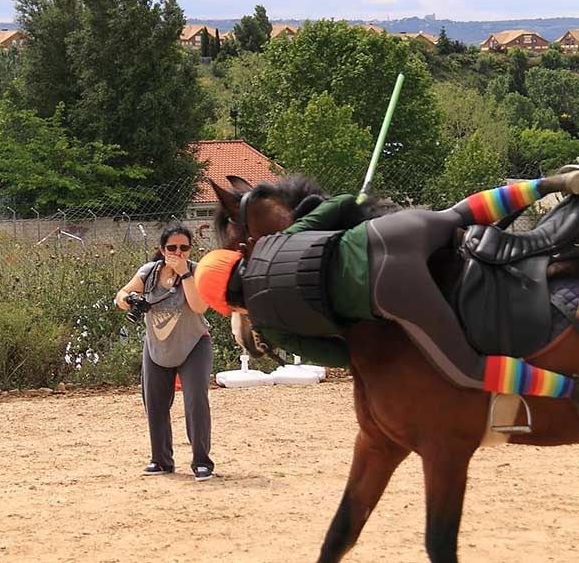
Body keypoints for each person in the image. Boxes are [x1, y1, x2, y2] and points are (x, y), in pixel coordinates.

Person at [195, 172, 579, 405]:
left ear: (228, 305)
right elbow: (345, 202)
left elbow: (349, 355)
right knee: (459, 214)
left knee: (468, 370)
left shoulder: (269, 324)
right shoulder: (282, 240)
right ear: (239, 256)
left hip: (395, 287)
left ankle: (570, 392)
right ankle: (551, 184)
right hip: (393, 231)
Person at [115, 223, 215, 481]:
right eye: (172, 247)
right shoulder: (148, 273)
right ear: (162, 249)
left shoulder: (196, 271)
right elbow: (121, 295)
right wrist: (128, 299)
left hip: (194, 344)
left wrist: (185, 275)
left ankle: (201, 461)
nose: (178, 252)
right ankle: (160, 460)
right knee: (155, 403)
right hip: (158, 345)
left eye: (184, 248)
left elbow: (199, 306)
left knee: (195, 402)